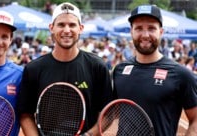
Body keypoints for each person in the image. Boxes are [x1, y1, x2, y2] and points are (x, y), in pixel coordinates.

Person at [17, 2, 113, 136]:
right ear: (51, 28)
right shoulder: (33, 69)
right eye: (61, 24)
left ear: (80, 28)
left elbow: (107, 114)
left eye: (72, 25)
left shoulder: (97, 67)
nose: (67, 30)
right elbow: (25, 114)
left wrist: (89, 135)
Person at [112, 5, 197, 136]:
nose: (145, 35)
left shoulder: (181, 74)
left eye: (151, 28)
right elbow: (113, 112)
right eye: (139, 28)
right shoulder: (119, 70)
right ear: (131, 32)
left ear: (161, 32)